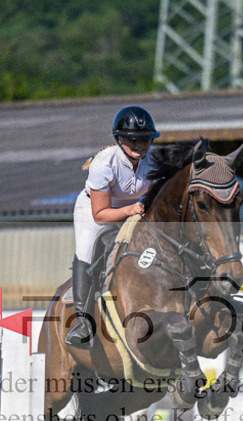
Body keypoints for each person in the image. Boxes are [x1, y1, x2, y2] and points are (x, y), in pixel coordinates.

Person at [67, 105, 160, 349]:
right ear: (119, 139)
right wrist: (130, 210)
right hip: (95, 212)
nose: (140, 145)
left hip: (135, 210)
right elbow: (101, 214)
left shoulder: (153, 160)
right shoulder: (103, 162)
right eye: (133, 140)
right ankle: (82, 322)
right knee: (86, 253)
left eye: (145, 140)